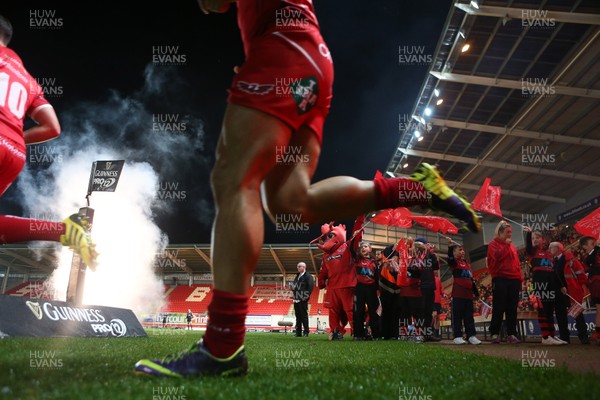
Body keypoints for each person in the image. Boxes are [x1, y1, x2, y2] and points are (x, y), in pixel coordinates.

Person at [134, 0, 481, 377]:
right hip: (310, 58)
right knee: (290, 200)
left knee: (235, 181)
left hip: (283, 50)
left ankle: (223, 346)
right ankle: (416, 190)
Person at [0, 15, 96, 268]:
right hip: (14, 153)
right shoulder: (28, 79)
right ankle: (62, 230)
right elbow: (52, 127)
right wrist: (10, 136)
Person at [524, 228, 567, 345]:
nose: (535, 240)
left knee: (549, 310)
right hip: (540, 285)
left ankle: (552, 335)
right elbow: (528, 246)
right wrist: (528, 234)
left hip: (551, 285)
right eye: (533, 238)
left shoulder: (548, 254)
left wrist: (561, 286)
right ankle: (545, 336)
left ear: (542, 239)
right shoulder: (532, 252)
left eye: (537, 238)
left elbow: (554, 272)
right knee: (543, 310)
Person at [486, 221, 523, 344]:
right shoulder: (493, 244)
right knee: (499, 307)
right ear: (500, 232)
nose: (510, 235)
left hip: (514, 279)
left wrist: (520, 279)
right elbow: (496, 257)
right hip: (500, 278)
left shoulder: (512, 247)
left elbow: (516, 263)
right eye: (507, 232)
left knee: (512, 308)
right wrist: (506, 246)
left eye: (511, 232)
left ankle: (511, 333)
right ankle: (494, 333)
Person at [447, 239, 481, 345]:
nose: (462, 252)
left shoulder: (467, 265)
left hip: (468, 295)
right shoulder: (454, 263)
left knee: (469, 317)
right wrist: (450, 247)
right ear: (454, 252)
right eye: (459, 250)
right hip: (458, 295)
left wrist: (476, 293)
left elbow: (472, 280)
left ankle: (471, 336)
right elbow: (450, 259)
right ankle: (457, 336)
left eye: (463, 250)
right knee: (457, 316)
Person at [561, 247, 590, 344]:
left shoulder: (570, 261)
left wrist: (577, 287)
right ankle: (582, 336)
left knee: (577, 314)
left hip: (571, 292)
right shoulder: (562, 261)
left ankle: (581, 335)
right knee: (577, 315)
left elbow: (582, 276)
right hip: (569, 291)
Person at [353, 241, 380, 340]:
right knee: (358, 312)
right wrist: (355, 237)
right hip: (359, 288)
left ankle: (376, 335)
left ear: (370, 249)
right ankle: (358, 335)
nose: (363, 248)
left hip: (371, 289)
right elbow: (352, 247)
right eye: (361, 247)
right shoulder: (356, 259)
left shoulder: (374, 262)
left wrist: (377, 290)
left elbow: (377, 277)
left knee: (373, 312)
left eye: (365, 246)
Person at [547, 241, 573, 344]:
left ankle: (579, 335)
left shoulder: (564, 259)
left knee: (569, 313)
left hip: (566, 290)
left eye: (551, 248)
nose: (549, 250)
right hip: (558, 291)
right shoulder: (555, 260)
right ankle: (564, 336)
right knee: (560, 314)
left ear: (557, 248)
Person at [579, 236, 600, 345]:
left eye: (594, 243)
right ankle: (598, 334)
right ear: (584, 246)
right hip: (596, 284)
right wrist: (597, 247)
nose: (594, 244)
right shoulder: (587, 257)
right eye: (592, 243)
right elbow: (590, 261)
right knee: (599, 308)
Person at [378, 245, 401, 340]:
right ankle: (385, 333)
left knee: (396, 312)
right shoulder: (386, 255)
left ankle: (395, 334)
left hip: (398, 287)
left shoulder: (403, 256)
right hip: (385, 286)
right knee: (386, 311)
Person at [291, 261, 314, 337]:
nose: (297, 268)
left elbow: (310, 287)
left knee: (304, 316)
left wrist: (305, 297)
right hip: (296, 298)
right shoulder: (297, 276)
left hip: (303, 299)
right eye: (297, 266)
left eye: (299, 266)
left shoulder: (308, 276)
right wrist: (293, 287)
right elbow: (294, 285)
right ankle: (298, 332)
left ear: (303, 267)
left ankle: (306, 332)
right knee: (298, 316)